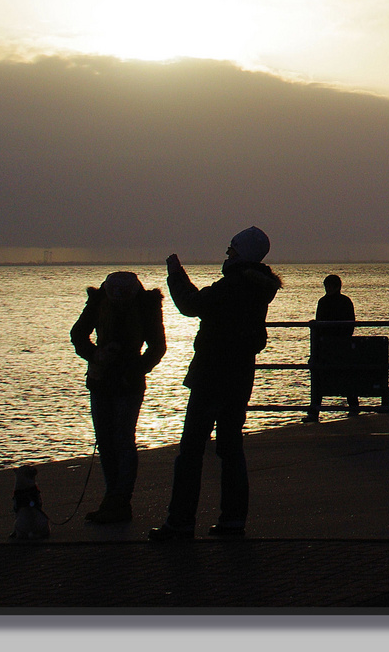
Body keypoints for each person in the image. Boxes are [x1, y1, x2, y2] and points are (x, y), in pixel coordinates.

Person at [149, 226, 281, 541]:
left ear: (242, 253)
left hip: (211, 374)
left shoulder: (232, 286)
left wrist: (175, 274)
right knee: (231, 447)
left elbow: (191, 305)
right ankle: (233, 519)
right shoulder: (257, 289)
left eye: (232, 249)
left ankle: (180, 522)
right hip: (240, 376)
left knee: (191, 450)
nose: (227, 253)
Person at [70, 270, 166, 524]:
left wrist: (135, 368)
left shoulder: (147, 305)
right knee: (105, 440)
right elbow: (78, 334)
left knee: (123, 439)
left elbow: (158, 346)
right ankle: (111, 498)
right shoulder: (98, 301)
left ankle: (120, 500)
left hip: (129, 381)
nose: (118, 298)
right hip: (101, 379)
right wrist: (96, 355)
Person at [306, 273, 359, 422]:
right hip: (341, 346)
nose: (327, 289)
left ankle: (314, 410)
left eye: (329, 286)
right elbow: (351, 325)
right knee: (346, 376)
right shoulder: (345, 301)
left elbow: (319, 326)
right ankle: (353, 406)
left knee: (319, 377)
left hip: (328, 347)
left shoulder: (324, 302)